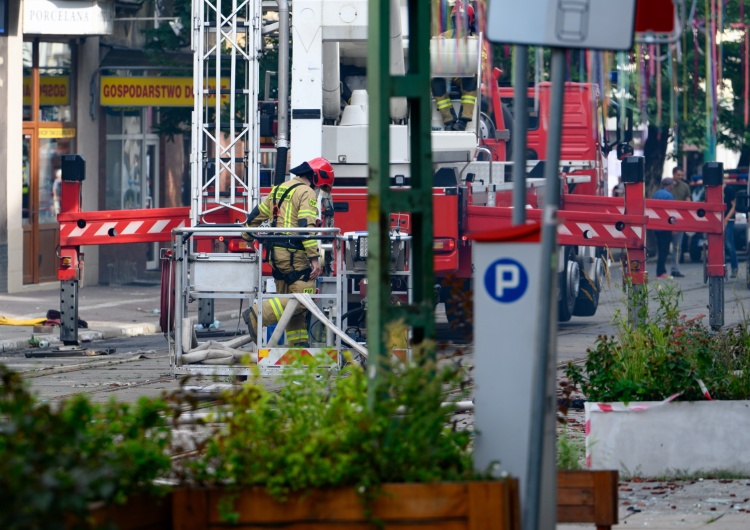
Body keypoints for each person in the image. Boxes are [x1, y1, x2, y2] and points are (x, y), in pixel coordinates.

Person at [241, 157, 334, 347]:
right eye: (321, 186)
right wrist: (314, 259)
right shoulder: (306, 192)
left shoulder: (280, 189)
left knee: (292, 303)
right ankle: (257, 315)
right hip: (293, 256)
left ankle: (298, 346)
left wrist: (247, 236)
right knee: (304, 298)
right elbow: (306, 227)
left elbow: (257, 213)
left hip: (276, 256)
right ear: (315, 177)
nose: (318, 191)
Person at [431, 1, 478, 131]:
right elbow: (434, 51)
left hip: (465, 75)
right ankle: (449, 121)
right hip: (447, 74)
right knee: (436, 82)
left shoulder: (476, 40)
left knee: (470, 81)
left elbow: (482, 61)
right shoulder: (444, 36)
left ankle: (463, 121)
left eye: (462, 19)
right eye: (456, 19)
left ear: (469, 20)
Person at [669, 166, 690, 278]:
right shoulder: (668, 185)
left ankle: (675, 269)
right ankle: (661, 270)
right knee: (664, 246)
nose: (680, 177)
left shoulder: (685, 186)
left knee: (677, 246)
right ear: (673, 174)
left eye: (681, 175)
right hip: (666, 218)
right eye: (678, 175)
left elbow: (688, 201)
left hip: (679, 219)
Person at [652, 177, 674, 279]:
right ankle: (661, 272)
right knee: (664, 250)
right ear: (669, 185)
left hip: (656, 226)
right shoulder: (669, 196)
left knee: (660, 249)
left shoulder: (656, 194)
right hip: (665, 226)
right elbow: (670, 212)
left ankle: (660, 271)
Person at [724, 182, 739, 279]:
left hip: (728, 220)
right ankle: (723, 269)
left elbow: (734, 206)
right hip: (718, 220)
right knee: (720, 246)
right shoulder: (711, 190)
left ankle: (734, 268)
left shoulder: (728, 190)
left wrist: (726, 219)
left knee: (729, 244)